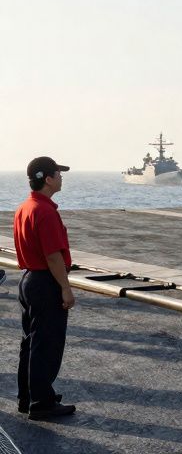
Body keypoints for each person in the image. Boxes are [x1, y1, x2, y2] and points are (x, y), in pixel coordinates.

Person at [14, 156, 77, 419]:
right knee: (46, 344)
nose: (61, 177)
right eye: (58, 173)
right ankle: (42, 402)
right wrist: (65, 287)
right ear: (48, 179)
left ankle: (28, 396)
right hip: (45, 282)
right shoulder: (45, 211)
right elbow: (53, 256)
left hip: (29, 280)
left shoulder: (25, 207)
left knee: (31, 342)